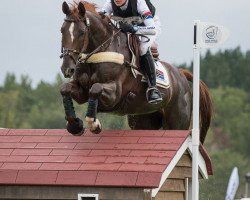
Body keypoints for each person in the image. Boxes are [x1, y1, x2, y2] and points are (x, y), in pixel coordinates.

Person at [102, 0, 162, 104]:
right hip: (129, 27)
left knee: (142, 48)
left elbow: (152, 29)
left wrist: (133, 29)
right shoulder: (109, 3)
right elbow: (100, 19)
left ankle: (153, 88)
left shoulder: (139, 2)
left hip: (148, 27)